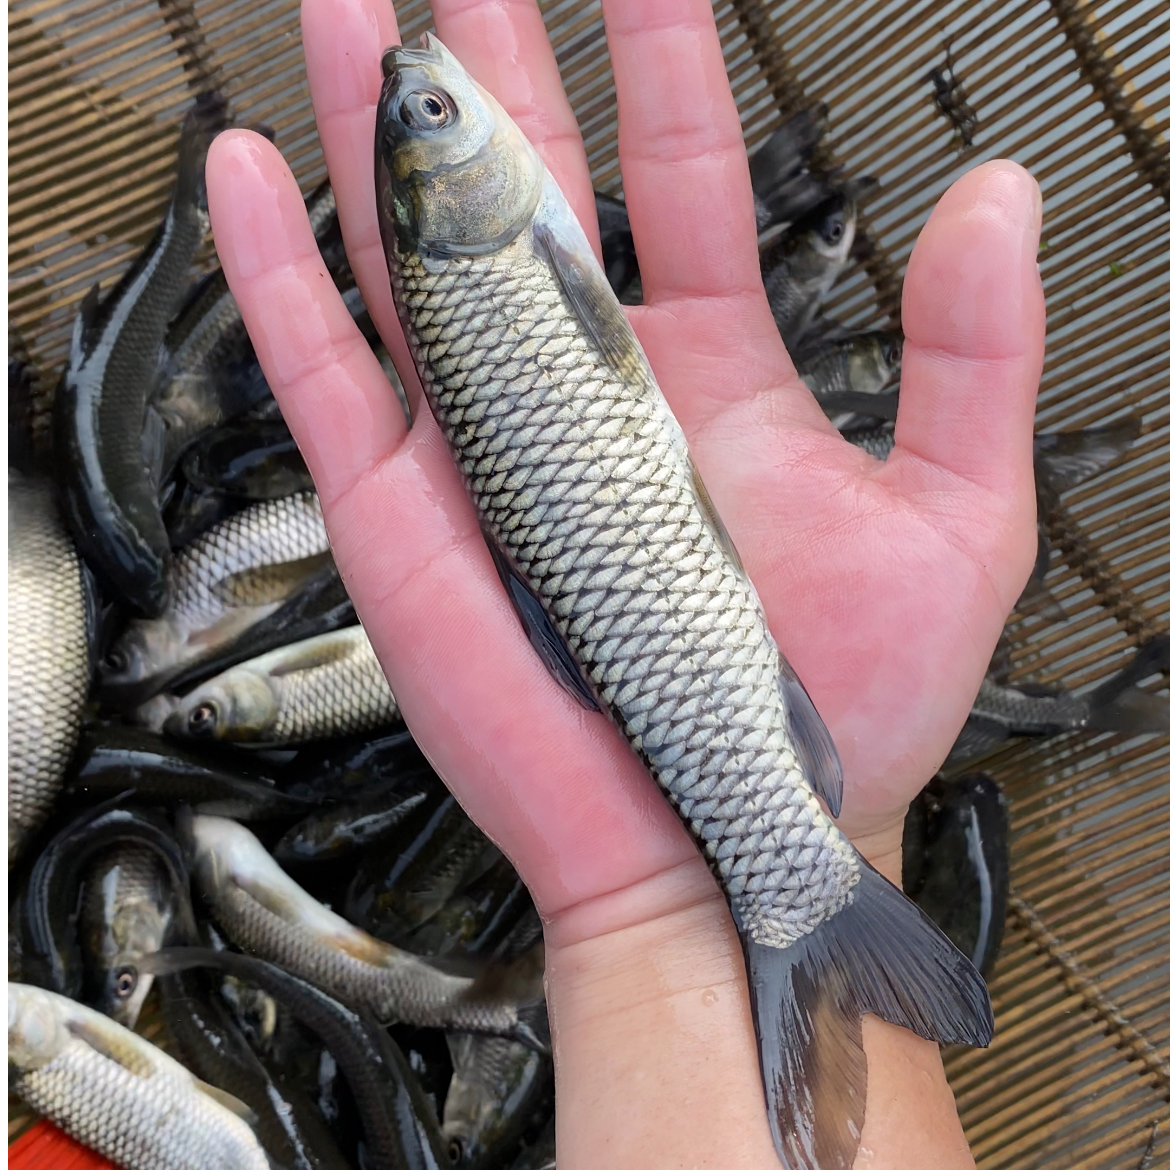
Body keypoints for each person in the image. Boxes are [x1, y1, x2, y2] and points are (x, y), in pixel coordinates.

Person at [205, 0, 1045, 1165]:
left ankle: (797, 898)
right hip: (648, 606)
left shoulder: (481, 248)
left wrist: (644, 925)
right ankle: (800, 898)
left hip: (639, 596)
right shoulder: (500, 241)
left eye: (432, 108)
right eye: (435, 116)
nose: (431, 90)